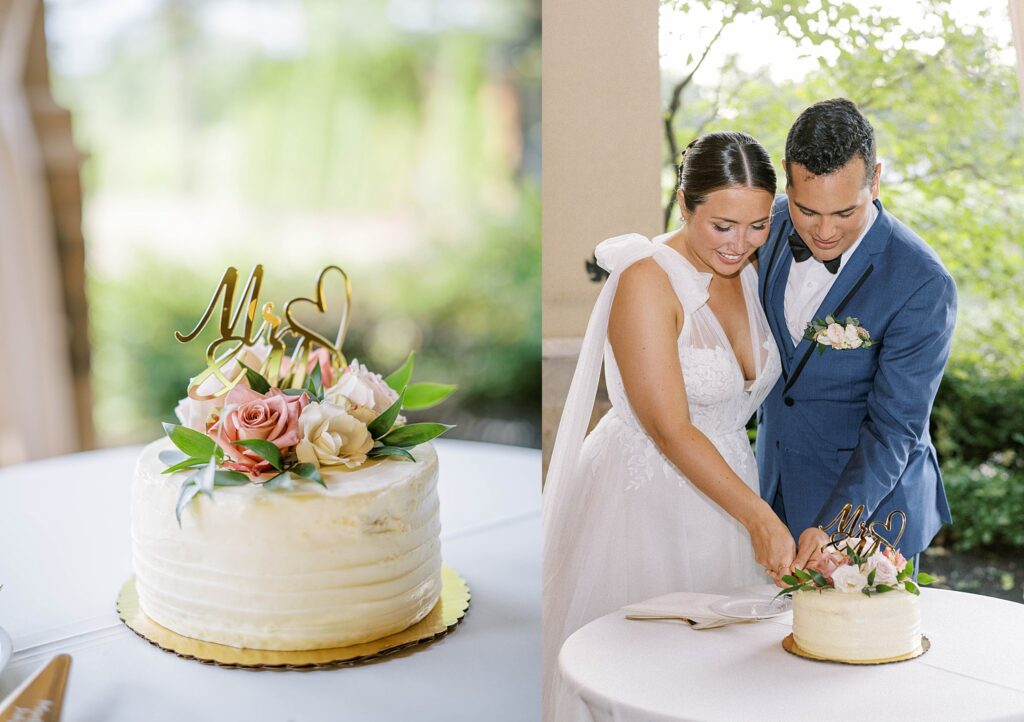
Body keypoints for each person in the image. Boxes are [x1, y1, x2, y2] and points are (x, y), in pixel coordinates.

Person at [542, 131, 793, 721]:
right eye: (722, 225)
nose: (740, 244)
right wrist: (760, 518)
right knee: (647, 678)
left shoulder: (754, 273)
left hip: (730, 485)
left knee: (722, 682)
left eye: (757, 225)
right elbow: (669, 427)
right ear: (684, 203)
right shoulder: (646, 279)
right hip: (645, 500)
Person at [756, 98, 957, 578]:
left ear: (877, 179)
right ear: (787, 177)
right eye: (809, 210)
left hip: (871, 512)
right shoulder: (769, 224)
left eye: (845, 211)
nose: (823, 231)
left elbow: (895, 429)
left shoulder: (922, 282)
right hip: (772, 487)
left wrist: (834, 523)